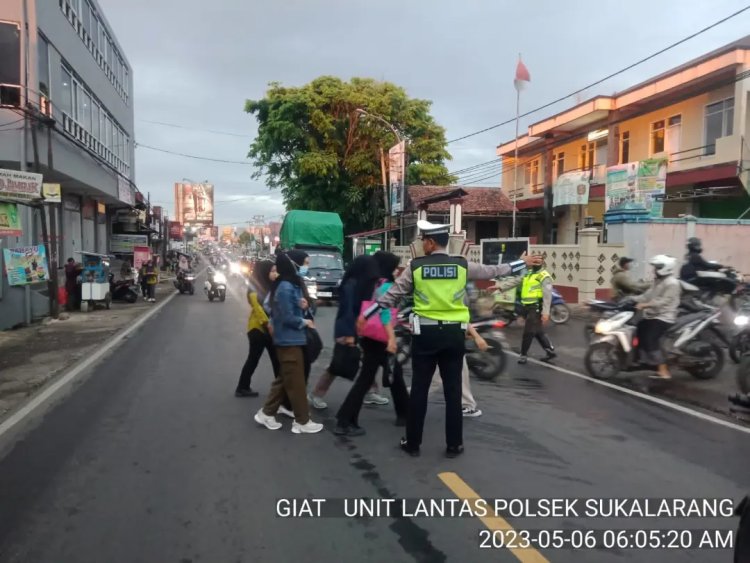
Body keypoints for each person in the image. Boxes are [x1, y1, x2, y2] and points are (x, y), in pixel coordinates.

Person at [362, 220, 542, 458]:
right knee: (453, 391)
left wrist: (365, 315)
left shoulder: (416, 267)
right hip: (454, 335)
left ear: (431, 242)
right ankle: (454, 445)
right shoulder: (461, 265)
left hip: (425, 336)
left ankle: (413, 443)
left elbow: (389, 298)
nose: (421, 244)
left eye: (423, 240)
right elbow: (495, 271)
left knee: (419, 390)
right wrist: (523, 262)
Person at [255, 253, 323, 434]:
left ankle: (266, 413)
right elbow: (285, 316)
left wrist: (302, 305)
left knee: (286, 379)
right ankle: (302, 421)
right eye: (304, 263)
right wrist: (304, 322)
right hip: (288, 339)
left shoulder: (290, 284)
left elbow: (283, 307)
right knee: (297, 382)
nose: (306, 267)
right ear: (293, 265)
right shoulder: (285, 287)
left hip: (292, 338)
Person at [334, 252, 400, 436]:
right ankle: (344, 420)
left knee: (379, 375)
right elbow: (384, 312)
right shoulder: (383, 285)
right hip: (378, 337)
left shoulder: (367, 283)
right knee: (365, 379)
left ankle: (348, 418)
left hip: (367, 335)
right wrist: (391, 338)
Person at [308, 255, 387, 410]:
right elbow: (347, 311)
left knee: (366, 362)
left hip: (359, 328)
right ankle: (316, 394)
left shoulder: (362, 283)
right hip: (347, 329)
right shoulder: (351, 285)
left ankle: (370, 391)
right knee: (337, 365)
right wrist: (349, 334)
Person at [632, 255, 682, 380]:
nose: (654, 270)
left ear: (665, 268)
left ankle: (663, 370)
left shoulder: (672, 283)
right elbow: (647, 295)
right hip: (653, 314)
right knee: (638, 328)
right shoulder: (658, 281)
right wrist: (631, 299)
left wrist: (646, 304)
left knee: (650, 339)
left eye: (657, 267)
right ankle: (646, 360)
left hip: (665, 316)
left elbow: (664, 301)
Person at [235, 259, 280, 398]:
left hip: (269, 329)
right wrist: (268, 324)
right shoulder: (254, 289)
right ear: (264, 272)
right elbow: (259, 309)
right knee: (254, 359)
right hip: (258, 330)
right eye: (272, 271)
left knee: (276, 360)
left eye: (276, 271)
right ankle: (242, 387)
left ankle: (280, 389)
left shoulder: (272, 287)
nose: (275, 274)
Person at [429, 324, 487, 417]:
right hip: (449, 337)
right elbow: (461, 315)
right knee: (437, 379)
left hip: (434, 334)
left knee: (455, 373)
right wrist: (477, 336)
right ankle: (407, 397)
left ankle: (466, 404)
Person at [517, 262, 556, 364]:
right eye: (534, 261)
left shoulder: (544, 276)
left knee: (528, 331)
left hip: (536, 307)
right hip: (527, 306)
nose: (535, 263)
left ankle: (523, 354)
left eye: (538, 261)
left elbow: (547, 296)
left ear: (542, 263)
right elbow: (516, 281)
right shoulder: (528, 273)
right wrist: (500, 287)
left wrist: (546, 313)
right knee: (537, 331)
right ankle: (549, 350)